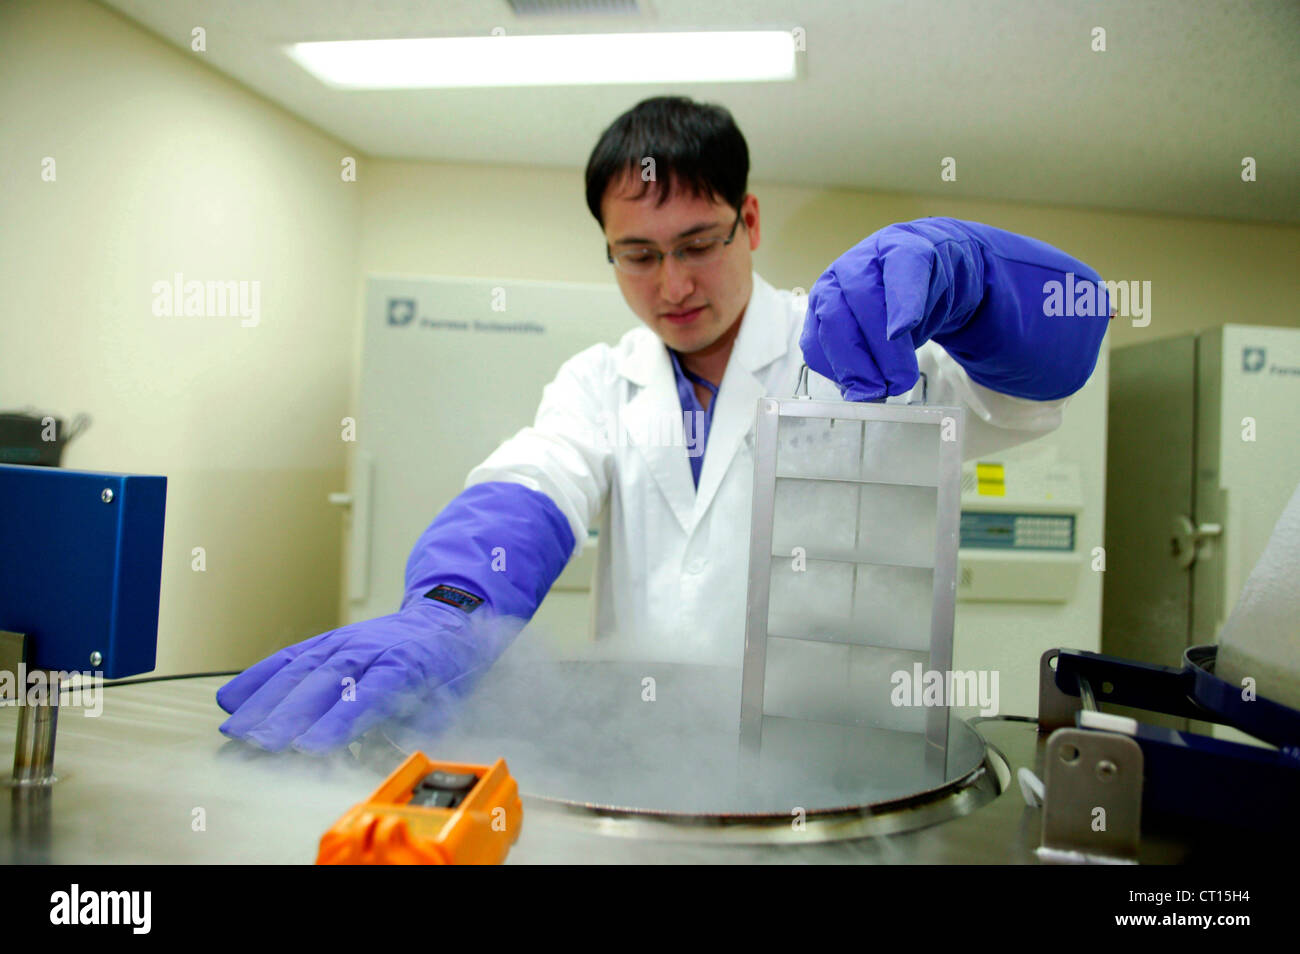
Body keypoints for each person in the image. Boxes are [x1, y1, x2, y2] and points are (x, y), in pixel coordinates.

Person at [217, 96, 1110, 752]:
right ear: (608, 248)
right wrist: (450, 608)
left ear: (747, 221)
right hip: (652, 756)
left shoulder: (864, 343)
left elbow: (1034, 387)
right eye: (638, 255)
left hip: (842, 759)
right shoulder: (602, 381)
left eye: (696, 245)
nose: (672, 286)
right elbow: (535, 481)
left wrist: (975, 282)